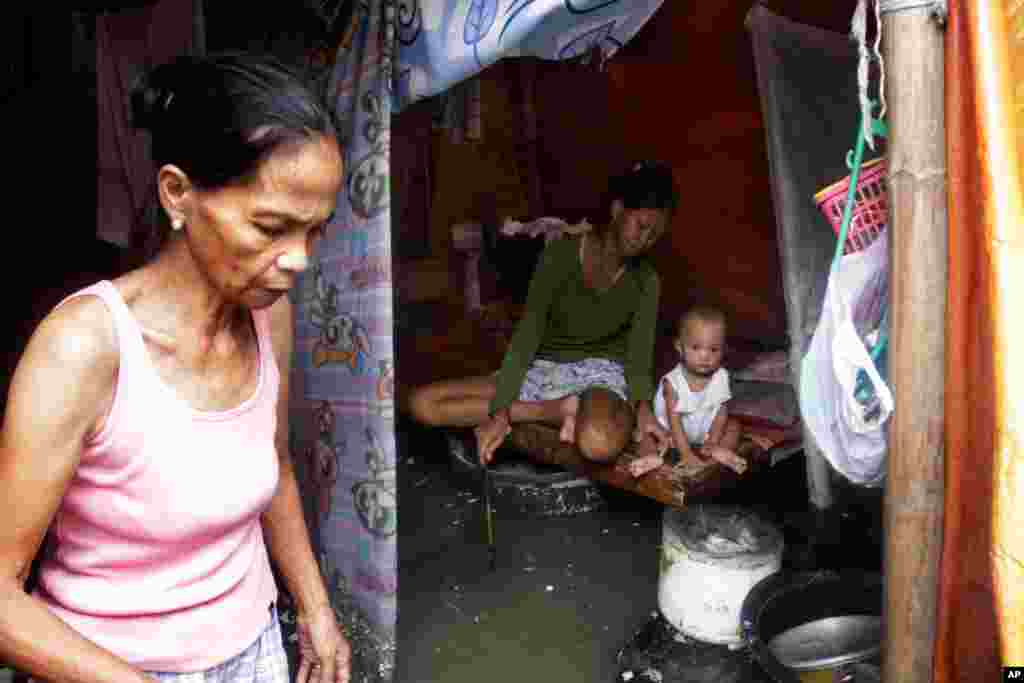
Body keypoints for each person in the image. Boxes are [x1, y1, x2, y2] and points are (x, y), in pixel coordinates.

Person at [0, 53, 350, 683]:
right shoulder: (85, 347)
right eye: (271, 227)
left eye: (315, 231)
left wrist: (315, 608)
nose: (298, 259)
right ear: (177, 194)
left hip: (254, 652)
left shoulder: (269, 316)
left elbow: (275, 465)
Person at [409, 161, 678, 468]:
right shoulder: (559, 255)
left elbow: (639, 357)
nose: (644, 240)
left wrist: (643, 411)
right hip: (542, 371)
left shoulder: (647, 280)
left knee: (598, 443)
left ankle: (558, 410)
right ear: (617, 210)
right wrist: (500, 413)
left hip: (600, 378)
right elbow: (527, 336)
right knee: (422, 404)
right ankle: (554, 410)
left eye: (654, 235)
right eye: (641, 226)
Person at [628, 305, 749, 477]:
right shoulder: (672, 382)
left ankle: (717, 457)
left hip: (704, 431)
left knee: (734, 426)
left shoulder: (721, 376)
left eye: (714, 349)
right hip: (670, 433)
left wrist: (713, 440)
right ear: (680, 347)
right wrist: (686, 454)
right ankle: (650, 456)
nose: (705, 356)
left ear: (723, 349)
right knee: (644, 433)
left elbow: (721, 411)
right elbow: (674, 421)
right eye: (696, 348)